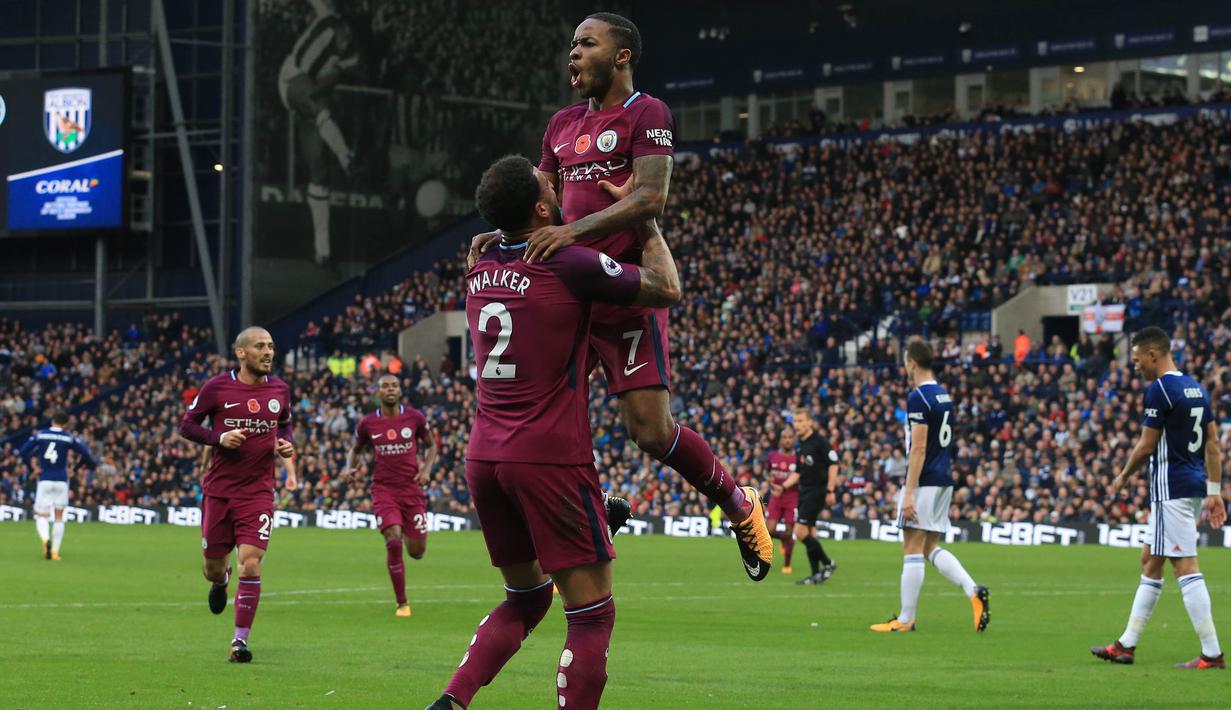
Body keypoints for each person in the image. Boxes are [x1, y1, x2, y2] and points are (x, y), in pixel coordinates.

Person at [468, 11, 772, 581]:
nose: (574, 54)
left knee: (651, 432)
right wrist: (503, 230)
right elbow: (540, 194)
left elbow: (650, 198)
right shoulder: (560, 123)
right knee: (544, 411)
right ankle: (594, 505)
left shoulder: (647, 113)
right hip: (566, 296)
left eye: (587, 44)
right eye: (572, 45)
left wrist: (572, 233)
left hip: (626, 288)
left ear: (622, 55)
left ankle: (738, 503)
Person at [425, 154, 681, 710]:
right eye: (550, 183)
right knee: (591, 616)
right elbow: (666, 287)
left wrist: (499, 229)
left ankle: (451, 700)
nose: (562, 184)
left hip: (484, 457)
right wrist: (644, 218)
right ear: (543, 207)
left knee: (526, 597)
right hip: (548, 457)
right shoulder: (570, 263)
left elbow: (507, 234)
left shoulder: (480, 262)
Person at [1091, 326, 1226, 669]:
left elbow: (1145, 446)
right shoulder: (1196, 388)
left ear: (1153, 355)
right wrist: (1214, 491)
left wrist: (1123, 475)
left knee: (1186, 567)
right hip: (1192, 485)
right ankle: (1125, 645)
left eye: (1137, 360)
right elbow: (1212, 444)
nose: (1135, 366)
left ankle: (1212, 653)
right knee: (1151, 560)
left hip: (1171, 490)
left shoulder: (1160, 390)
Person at [179, 326, 297, 663]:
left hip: (258, 493)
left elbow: (285, 423)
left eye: (271, 346)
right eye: (260, 346)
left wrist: (285, 442)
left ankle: (239, 641)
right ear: (241, 352)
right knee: (213, 569)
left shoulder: (280, 390)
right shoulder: (217, 387)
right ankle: (221, 582)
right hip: (219, 492)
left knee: (251, 563)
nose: (268, 352)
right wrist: (219, 438)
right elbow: (187, 425)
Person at [871, 339, 989, 633]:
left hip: (924, 481)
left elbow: (919, 448)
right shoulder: (943, 395)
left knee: (911, 546)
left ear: (911, 362)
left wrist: (908, 492)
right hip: (943, 479)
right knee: (929, 546)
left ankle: (906, 619)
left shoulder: (919, 397)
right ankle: (972, 590)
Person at [343, 374, 438, 617]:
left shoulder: (414, 418)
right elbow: (355, 449)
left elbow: (431, 445)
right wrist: (350, 468)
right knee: (393, 540)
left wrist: (426, 469)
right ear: (378, 392)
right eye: (385, 386)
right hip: (384, 490)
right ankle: (402, 603)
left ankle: (406, 528)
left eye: (394, 385)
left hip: (412, 490)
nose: (390, 389)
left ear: (400, 390)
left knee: (417, 552)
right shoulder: (367, 423)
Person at [277, 0, 360, 267]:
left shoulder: (350, 58)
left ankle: (321, 251)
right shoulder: (328, 17)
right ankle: (346, 156)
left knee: (319, 173)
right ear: (342, 25)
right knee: (316, 101)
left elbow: (322, 87)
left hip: (312, 101)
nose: (347, 39)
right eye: (346, 32)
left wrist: (319, 92)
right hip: (290, 78)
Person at [18, 409, 95, 560]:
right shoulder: (68, 438)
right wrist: (76, 468)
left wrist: (32, 468)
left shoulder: (41, 435)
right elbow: (85, 454)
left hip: (45, 478)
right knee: (59, 516)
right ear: (65, 424)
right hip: (61, 479)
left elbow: (23, 451)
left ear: (52, 420)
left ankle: (46, 540)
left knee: (42, 515)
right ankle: (54, 552)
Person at [791, 409, 839, 585]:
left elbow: (833, 464)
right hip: (804, 491)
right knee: (810, 533)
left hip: (817, 491)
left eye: (801, 420)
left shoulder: (819, 441)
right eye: (795, 421)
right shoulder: (800, 445)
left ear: (810, 423)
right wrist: (782, 486)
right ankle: (815, 574)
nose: (797, 424)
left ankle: (828, 563)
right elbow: (797, 472)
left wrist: (830, 490)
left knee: (800, 531)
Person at [765, 427, 798, 574]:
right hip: (776, 499)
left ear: (794, 439)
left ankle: (787, 565)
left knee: (790, 533)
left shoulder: (798, 458)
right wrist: (769, 478)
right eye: (785, 437)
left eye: (790, 437)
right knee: (769, 530)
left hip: (792, 498)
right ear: (781, 439)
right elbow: (767, 471)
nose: (787, 440)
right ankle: (784, 540)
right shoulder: (772, 456)